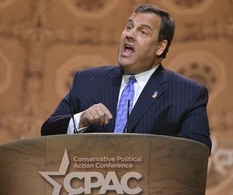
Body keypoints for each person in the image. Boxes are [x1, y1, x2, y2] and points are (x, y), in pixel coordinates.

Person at [41, 4, 212, 151]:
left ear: (160, 47)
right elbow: (48, 131)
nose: (129, 34)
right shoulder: (86, 80)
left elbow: (196, 152)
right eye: (129, 27)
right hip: (88, 185)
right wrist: (82, 120)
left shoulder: (188, 94)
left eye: (143, 32)